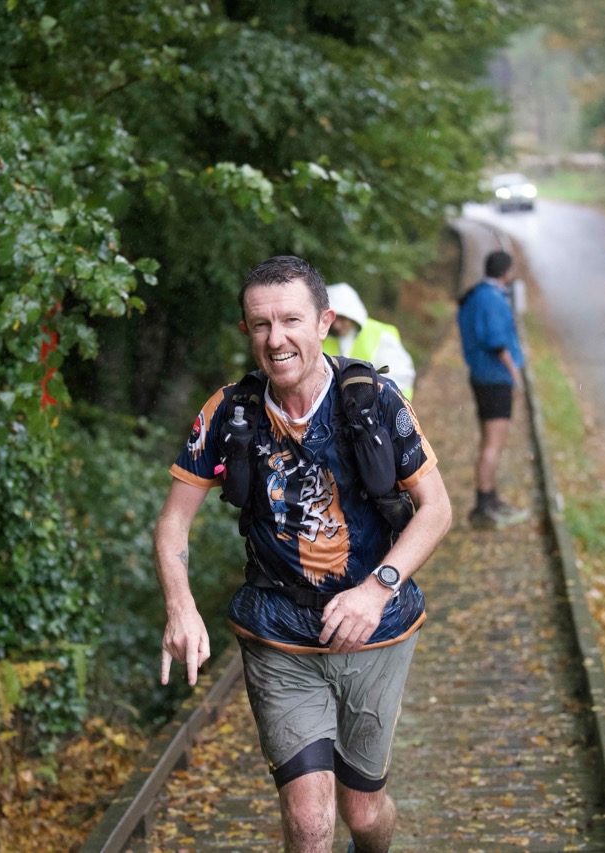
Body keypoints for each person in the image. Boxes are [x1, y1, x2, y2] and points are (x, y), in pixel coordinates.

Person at [156, 256, 452, 853]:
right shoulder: (229, 413)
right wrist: (180, 607)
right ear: (246, 331)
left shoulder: (374, 401)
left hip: (377, 630)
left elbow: (437, 509)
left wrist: (377, 588)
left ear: (324, 322)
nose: (276, 339)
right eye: (261, 324)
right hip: (279, 633)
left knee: (363, 814)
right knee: (310, 823)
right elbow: (172, 524)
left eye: (291, 320)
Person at [457, 249, 531, 530]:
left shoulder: (477, 295)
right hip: (495, 377)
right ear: (506, 271)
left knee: (489, 441)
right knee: (493, 444)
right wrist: (515, 375)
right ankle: (485, 504)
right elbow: (496, 341)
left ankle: (489, 498)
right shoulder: (491, 298)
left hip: (482, 375)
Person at [321, 282, 416, 398]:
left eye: (342, 319)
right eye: (333, 320)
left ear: (352, 314)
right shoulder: (326, 339)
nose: (337, 326)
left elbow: (401, 376)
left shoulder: (379, 335)